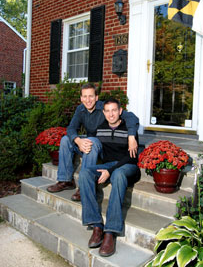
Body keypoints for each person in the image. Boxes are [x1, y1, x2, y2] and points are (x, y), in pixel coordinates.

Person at [47, 83, 139, 202]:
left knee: (91, 141)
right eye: (84, 97)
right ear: (81, 98)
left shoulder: (104, 108)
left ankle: (84, 187)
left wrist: (131, 136)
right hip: (88, 141)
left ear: (96, 97)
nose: (88, 100)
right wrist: (78, 141)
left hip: (101, 144)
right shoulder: (80, 109)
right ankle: (65, 180)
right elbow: (71, 128)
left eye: (91, 96)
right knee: (66, 139)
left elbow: (132, 117)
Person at [79, 98, 140, 257]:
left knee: (118, 174)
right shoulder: (100, 129)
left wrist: (111, 171)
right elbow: (88, 145)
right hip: (108, 165)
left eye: (114, 110)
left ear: (120, 111)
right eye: (108, 111)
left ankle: (110, 232)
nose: (111, 114)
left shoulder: (129, 130)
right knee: (85, 173)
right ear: (104, 113)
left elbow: (131, 158)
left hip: (127, 166)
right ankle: (97, 225)